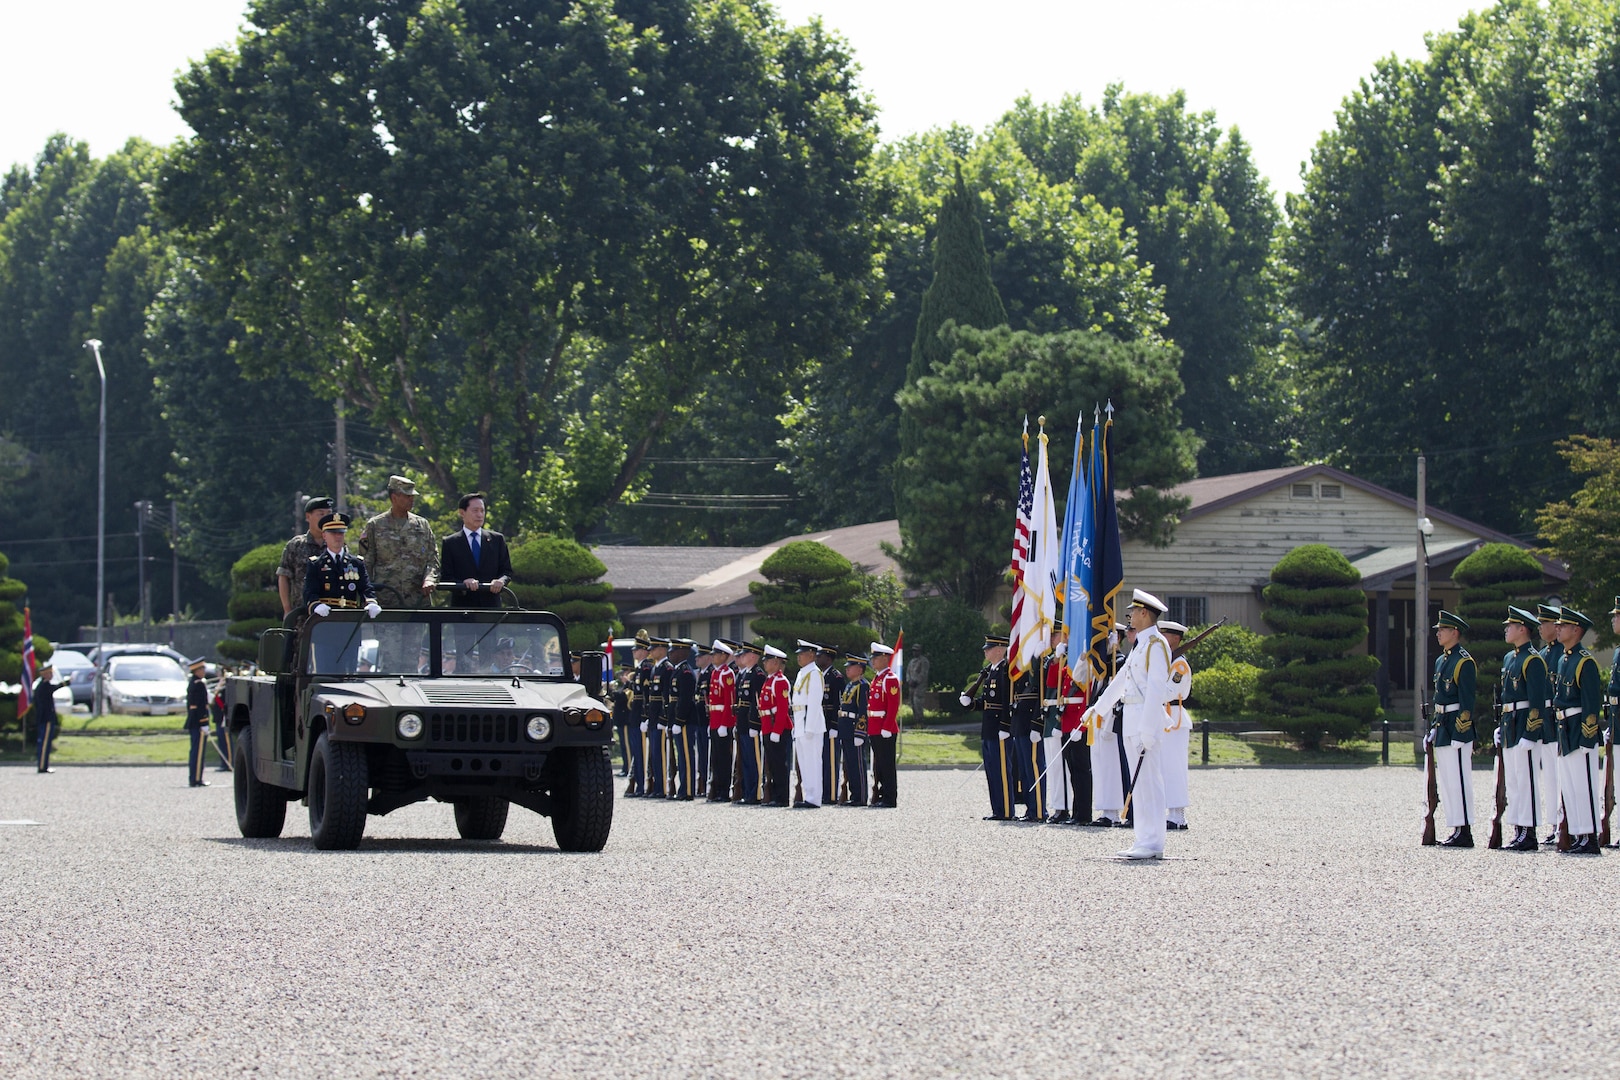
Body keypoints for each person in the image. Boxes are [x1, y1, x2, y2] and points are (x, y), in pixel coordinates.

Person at [1085, 590, 1177, 860]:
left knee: (1149, 781)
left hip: (1144, 722)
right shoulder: (1141, 645)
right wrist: (1097, 708)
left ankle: (1153, 841)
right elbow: (1121, 680)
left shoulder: (1157, 645)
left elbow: (1157, 690)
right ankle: (1143, 838)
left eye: (1133, 612)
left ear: (1145, 613)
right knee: (1138, 784)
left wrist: (1149, 729)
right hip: (1132, 719)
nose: (1130, 616)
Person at [1552, 607, 1603, 855]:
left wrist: (1588, 736)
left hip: (1579, 731)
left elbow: (1591, 704)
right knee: (1571, 786)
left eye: (1563, 625)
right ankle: (1578, 834)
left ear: (1577, 630)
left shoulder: (1585, 662)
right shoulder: (1565, 660)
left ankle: (1589, 836)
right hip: (1565, 730)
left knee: (1584, 785)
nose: (1558, 628)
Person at [1499, 606, 1550, 852]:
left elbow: (1537, 702)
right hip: (1511, 725)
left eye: (1510, 626)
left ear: (1522, 629)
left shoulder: (1533, 660)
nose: (1506, 630)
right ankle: (1518, 828)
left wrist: (1531, 732)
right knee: (1515, 781)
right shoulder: (1510, 658)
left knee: (1527, 779)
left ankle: (1529, 832)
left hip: (1524, 726)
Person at [1427, 610, 1477, 848]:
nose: (1438, 633)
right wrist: (1435, 726)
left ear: (1454, 632)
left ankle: (1464, 829)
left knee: (1460, 779)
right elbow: (1439, 697)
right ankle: (1455, 826)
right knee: (1448, 780)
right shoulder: (1442, 660)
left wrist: (1461, 730)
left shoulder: (1463, 661)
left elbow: (1467, 701)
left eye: (1442, 630)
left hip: (1457, 727)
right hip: (1444, 726)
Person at [356, 474, 440, 609]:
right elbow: (366, 563)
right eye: (407, 496)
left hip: (416, 601)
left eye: (412, 496)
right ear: (394, 497)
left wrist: (430, 579)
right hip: (385, 600)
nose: (411, 499)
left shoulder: (422, 525)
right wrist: (367, 596)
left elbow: (432, 559)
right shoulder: (375, 525)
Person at [963, 635, 1013, 821]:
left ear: (1000, 650)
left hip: (999, 726)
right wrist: (971, 703)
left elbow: (1007, 700)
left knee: (1001, 770)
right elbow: (986, 702)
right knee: (992, 771)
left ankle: (1007, 810)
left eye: (989, 648)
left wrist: (1005, 725)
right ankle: (997, 810)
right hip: (988, 727)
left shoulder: (1005, 670)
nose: (986, 651)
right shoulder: (990, 671)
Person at [1089, 624, 1132, 828]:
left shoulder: (1120, 661)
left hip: (1111, 719)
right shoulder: (1102, 662)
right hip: (1098, 719)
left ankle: (1115, 811)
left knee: (1113, 766)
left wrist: (1115, 652)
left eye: (1107, 639)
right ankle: (1106, 809)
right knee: (1101, 767)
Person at [439, 492, 513, 608]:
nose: (480, 515)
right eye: (475, 511)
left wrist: (500, 581)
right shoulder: (450, 542)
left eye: (482, 511)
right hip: (463, 608)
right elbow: (446, 577)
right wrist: (463, 584)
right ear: (462, 512)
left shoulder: (497, 540)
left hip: (491, 607)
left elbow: (506, 571)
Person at [1534, 604, 1565, 844]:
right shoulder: (1542, 655)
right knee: (1549, 778)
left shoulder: (1564, 654)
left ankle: (1565, 823)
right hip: (1545, 725)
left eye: (1544, 623)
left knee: (1561, 775)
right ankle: (1554, 823)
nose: (1540, 627)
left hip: (1559, 724)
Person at [278, 496, 332, 623]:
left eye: (329, 514)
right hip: (302, 614)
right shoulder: (296, 545)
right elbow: (283, 576)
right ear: (308, 517)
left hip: (331, 614)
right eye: (321, 514)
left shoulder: (336, 544)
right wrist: (287, 609)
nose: (325, 518)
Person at [1160, 620, 1193, 830]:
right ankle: (1171, 813)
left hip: (1175, 717)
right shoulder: (1168, 661)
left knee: (1175, 768)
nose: (1163, 638)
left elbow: (1170, 691)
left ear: (1175, 639)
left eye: (1166, 635)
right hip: (1165, 716)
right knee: (1166, 768)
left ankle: (1178, 816)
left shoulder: (1179, 665)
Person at [1009, 649, 1046, 823]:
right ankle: (1031, 809)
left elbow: (1041, 694)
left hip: (1030, 723)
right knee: (1024, 771)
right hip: (1020, 725)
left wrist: (1037, 724)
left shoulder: (1039, 663)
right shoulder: (1023, 667)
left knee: (1033, 769)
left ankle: (1038, 810)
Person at [790, 641, 826, 808]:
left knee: (812, 761)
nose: (799, 656)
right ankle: (808, 795)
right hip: (799, 721)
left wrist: (810, 727)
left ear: (811, 655)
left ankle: (814, 798)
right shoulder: (802, 673)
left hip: (809, 723)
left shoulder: (814, 673)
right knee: (803, 762)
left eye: (802, 653)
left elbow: (814, 701)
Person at [867, 642, 901, 808]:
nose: (872, 661)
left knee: (887, 764)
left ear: (884, 658)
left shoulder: (890, 679)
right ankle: (881, 795)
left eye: (875, 658)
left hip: (884, 728)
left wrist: (887, 727)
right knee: (879, 764)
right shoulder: (877, 678)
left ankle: (889, 797)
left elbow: (893, 705)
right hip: (875, 726)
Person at [759, 645, 793, 806]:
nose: (764, 664)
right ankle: (773, 795)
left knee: (779, 764)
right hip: (767, 726)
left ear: (775, 662)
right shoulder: (770, 680)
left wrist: (777, 731)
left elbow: (782, 709)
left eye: (767, 661)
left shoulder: (780, 681)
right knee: (771, 764)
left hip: (777, 727)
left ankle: (782, 797)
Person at [733, 642, 766, 804]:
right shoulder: (744, 674)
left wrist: (755, 724)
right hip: (742, 722)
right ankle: (747, 792)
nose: (742, 657)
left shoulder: (758, 675)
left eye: (745, 654)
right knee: (745, 759)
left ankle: (755, 792)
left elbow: (757, 702)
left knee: (754, 760)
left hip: (751, 723)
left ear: (753, 656)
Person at [837, 652, 870, 806]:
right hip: (845, 727)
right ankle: (853, 794)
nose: (848, 670)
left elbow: (863, 711)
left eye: (851, 667)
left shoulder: (863, 686)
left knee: (858, 764)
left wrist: (860, 732)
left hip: (854, 727)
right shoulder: (850, 685)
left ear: (860, 668)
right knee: (849, 764)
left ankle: (860, 796)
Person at [706, 640, 737, 802]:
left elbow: (728, 701)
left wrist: (725, 723)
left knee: (724, 759)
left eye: (716, 654)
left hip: (722, 722)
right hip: (714, 720)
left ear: (724, 656)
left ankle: (724, 791)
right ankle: (716, 789)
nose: (713, 657)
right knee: (715, 758)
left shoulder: (727, 674)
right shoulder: (715, 673)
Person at [668, 640, 698, 800]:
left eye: (673, 651)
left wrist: (679, 721)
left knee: (686, 756)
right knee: (681, 756)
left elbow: (685, 699)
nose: (670, 653)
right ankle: (683, 788)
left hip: (685, 721)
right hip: (678, 720)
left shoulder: (686, 672)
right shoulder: (678, 671)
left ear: (682, 653)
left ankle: (687, 790)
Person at [643, 637, 672, 798]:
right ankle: (656, 786)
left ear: (662, 649)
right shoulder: (655, 668)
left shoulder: (667, 669)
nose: (651, 652)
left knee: (661, 754)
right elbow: (651, 696)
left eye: (654, 648)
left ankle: (662, 788)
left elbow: (666, 696)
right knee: (654, 754)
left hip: (660, 717)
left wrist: (663, 718)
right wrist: (648, 717)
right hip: (653, 717)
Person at [816, 645, 845, 808]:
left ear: (828, 658)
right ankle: (823, 792)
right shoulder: (819, 676)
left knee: (831, 761)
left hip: (830, 725)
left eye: (820, 656)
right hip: (820, 725)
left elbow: (838, 704)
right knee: (821, 760)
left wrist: (835, 725)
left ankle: (831, 794)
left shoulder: (836, 677)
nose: (817, 658)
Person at [624, 632, 651, 796]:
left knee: (642, 754)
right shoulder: (640, 668)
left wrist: (645, 717)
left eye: (637, 650)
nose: (634, 652)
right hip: (634, 715)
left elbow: (646, 695)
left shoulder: (646, 668)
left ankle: (642, 785)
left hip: (640, 714)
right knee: (637, 752)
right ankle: (639, 784)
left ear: (644, 651)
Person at [31, 662, 63, 774]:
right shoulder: (44, 686)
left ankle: (44, 765)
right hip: (46, 718)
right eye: (49, 673)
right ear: (44, 675)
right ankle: (42, 766)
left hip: (44, 718)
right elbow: (55, 687)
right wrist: (66, 682)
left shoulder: (42, 686)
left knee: (45, 743)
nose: (51, 675)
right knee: (44, 743)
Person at [185, 657, 212, 788]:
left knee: (195, 750)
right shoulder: (199, 684)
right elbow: (201, 706)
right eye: (202, 669)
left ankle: (194, 777)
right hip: (198, 722)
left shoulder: (193, 683)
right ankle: (196, 778)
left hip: (193, 721)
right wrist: (204, 722)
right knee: (198, 751)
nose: (204, 671)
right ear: (197, 670)